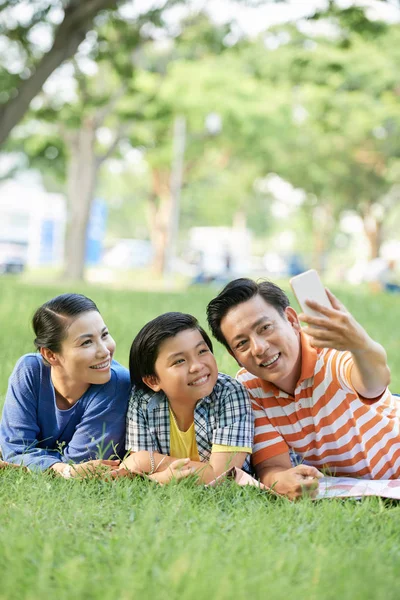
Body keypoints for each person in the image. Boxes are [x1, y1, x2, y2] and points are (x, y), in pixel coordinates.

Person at [206, 278, 400, 500]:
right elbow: (273, 467)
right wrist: (282, 480)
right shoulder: (249, 390)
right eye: (242, 343)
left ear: (291, 320)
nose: (259, 348)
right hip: (356, 489)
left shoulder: (331, 353)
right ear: (234, 356)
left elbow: (375, 380)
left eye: (265, 328)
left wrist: (361, 346)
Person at [0, 293, 131, 478]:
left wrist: (25, 462)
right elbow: (14, 447)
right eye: (87, 342)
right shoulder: (29, 370)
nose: (105, 351)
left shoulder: (117, 384)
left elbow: (80, 462)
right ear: (51, 355)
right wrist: (61, 469)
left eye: (105, 335)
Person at [121, 312, 254, 484]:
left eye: (202, 351)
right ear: (153, 380)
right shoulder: (143, 400)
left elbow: (223, 476)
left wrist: (154, 469)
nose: (197, 366)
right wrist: (146, 466)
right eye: (179, 361)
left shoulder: (230, 393)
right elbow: (136, 471)